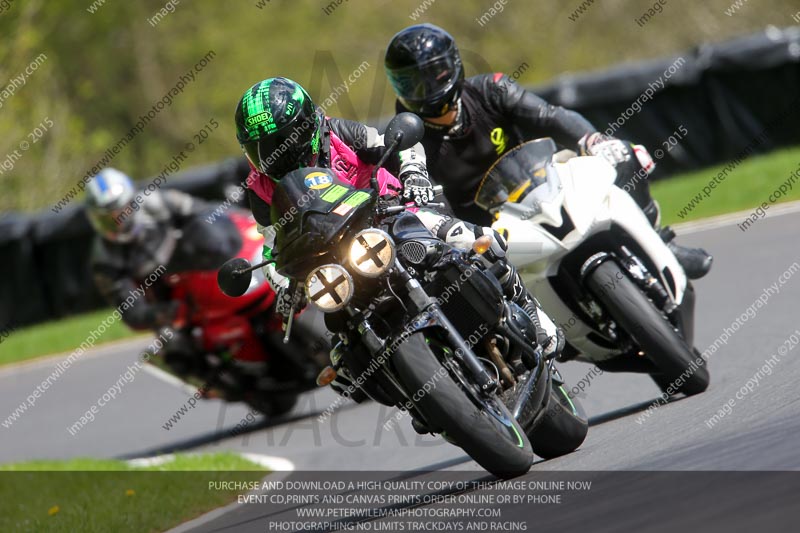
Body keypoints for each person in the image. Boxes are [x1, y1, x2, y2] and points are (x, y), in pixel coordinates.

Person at [234, 77, 563, 394]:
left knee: (473, 240)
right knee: (342, 358)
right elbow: (271, 247)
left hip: (392, 213)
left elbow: (403, 144)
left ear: (306, 128)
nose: (273, 155)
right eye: (258, 149)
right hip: (332, 256)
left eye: (281, 143)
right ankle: (408, 390)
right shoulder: (260, 188)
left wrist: (413, 174)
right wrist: (284, 285)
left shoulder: (340, 134)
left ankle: (532, 313)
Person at [384, 23, 712, 279]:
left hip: (541, 183)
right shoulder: (408, 140)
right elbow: (428, 204)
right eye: (411, 83)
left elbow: (550, 116)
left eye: (434, 75)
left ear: (453, 65)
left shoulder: (492, 88)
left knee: (622, 154)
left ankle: (663, 244)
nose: (425, 89)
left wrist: (593, 141)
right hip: (487, 231)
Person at [86, 168, 240, 366]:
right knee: (179, 351)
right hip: (168, 299)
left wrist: (219, 243)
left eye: (121, 213)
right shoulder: (104, 259)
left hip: (200, 266)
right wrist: (168, 312)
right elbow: (131, 311)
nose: (117, 223)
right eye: (107, 219)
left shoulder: (159, 202)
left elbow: (207, 213)